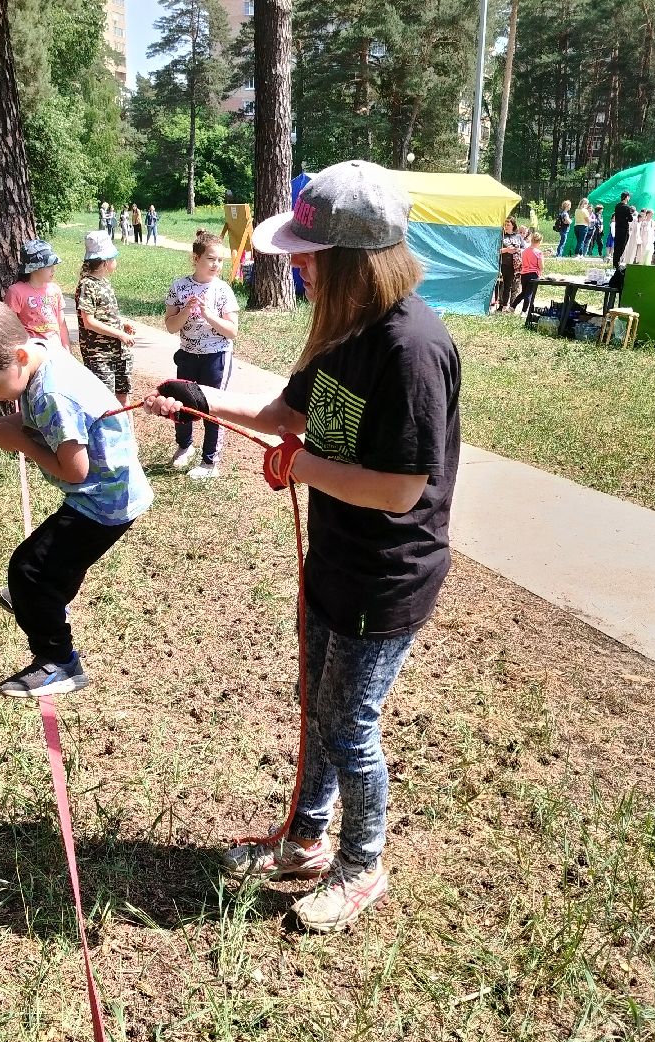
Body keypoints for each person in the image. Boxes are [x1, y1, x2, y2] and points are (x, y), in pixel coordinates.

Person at [144, 159, 462, 935]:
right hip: (335, 559)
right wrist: (202, 398)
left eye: (308, 256)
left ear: (352, 259)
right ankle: (306, 839)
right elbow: (287, 412)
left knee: (348, 722)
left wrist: (302, 465)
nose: (297, 266)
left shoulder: (411, 348)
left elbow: (398, 489)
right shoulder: (343, 330)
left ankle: (362, 866)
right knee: (316, 709)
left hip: (387, 576)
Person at [0, 291, 152, 697]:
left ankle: (60, 663)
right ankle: (38, 601)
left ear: (16, 356)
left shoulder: (53, 394)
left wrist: (19, 442)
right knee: (53, 567)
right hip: (108, 492)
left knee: (28, 571)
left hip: (103, 501)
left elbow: (75, 469)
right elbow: (29, 415)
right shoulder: (39, 351)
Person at [163, 231, 239, 479]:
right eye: (211, 259)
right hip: (188, 354)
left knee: (212, 408)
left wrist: (209, 315)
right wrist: (186, 311)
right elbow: (171, 326)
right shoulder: (179, 286)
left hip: (216, 356)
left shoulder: (224, 290)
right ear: (196, 258)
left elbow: (232, 331)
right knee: (182, 404)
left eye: (220, 260)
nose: (216, 264)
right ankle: (184, 446)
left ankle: (210, 462)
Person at [76, 229, 137, 405]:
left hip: (118, 352)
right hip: (99, 355)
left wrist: (121, 325)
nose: (115, 261)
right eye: (113, 258)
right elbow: (89, 322)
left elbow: (104, 314)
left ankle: (128, 433)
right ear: (104, 262)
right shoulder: (87, 285)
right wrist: (120, 334)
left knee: (123, 398)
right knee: (105, 403)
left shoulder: (104, 282)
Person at [5, 239, 71, 349]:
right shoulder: (16, 292)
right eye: (48, 266)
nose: (53, 270)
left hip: (56, 349)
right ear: (34, 267)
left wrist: (66, 348)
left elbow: (62, 325)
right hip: (32, 351)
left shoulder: (55, 290)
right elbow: (10, 326)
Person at [495, 217, 524, 312]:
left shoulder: (518, 236)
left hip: (515, 265)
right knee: (504, 285)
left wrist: (518, 250)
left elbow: (524, 249)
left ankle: (512, 306)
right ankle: (502, 305)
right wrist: (507, 250)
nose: (506, 227)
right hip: (504, 264)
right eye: (505, 225)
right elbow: (496, 250)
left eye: (508, 225)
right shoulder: (501, 236)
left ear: (513, 225)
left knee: (513, 286)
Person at [513, 230, 543, 312]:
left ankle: (512, 307)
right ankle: (524, 311)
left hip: (524, 274)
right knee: (529, 294)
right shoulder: (538, 252)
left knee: (523, 292)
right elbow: (541, 266)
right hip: (533, 274)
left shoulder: (525, 251)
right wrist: (541, 271)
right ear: (539, 242)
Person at [612, 192, 633, 268]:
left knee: (617, 245)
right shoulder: (627, 207)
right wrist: (627, 217)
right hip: (624, 229)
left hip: (617, 228)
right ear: (626, 197)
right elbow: (630, 219)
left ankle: (615, 262)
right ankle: (618, 262)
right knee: (622, 246)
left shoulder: (617, 206)